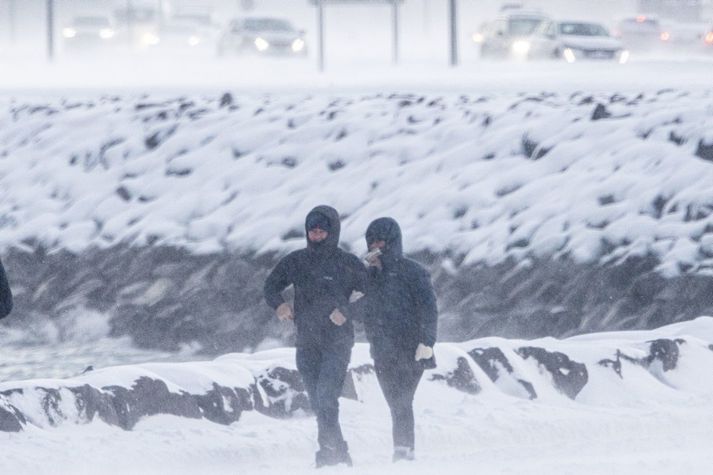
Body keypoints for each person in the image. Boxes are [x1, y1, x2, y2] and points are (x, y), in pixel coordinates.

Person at [264, 205, 366, 468]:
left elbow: (373, 296)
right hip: (306, 341)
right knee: (318, 401)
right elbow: (271, 286)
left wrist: (347, 311)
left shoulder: (348, 263)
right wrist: (279, 305)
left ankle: (327, 453)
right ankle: (339, 451)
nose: (317, 236)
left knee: (326, 395)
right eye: (313, 231)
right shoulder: (297, 261)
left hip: (338, 340)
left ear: (332, 232)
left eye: (322, 231)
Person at [362, 217, 438, 463]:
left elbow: (429, 308)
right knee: (396, 403)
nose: (376, 246)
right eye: (372, 241)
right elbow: (364, 308)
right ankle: (404, 452)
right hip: (381, 350)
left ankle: (404, 453)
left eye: (381, 241)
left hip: (412, 349)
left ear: (393, 241)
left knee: (402, 401)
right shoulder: (370, 275)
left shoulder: (413, 271)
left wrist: (428, 341)